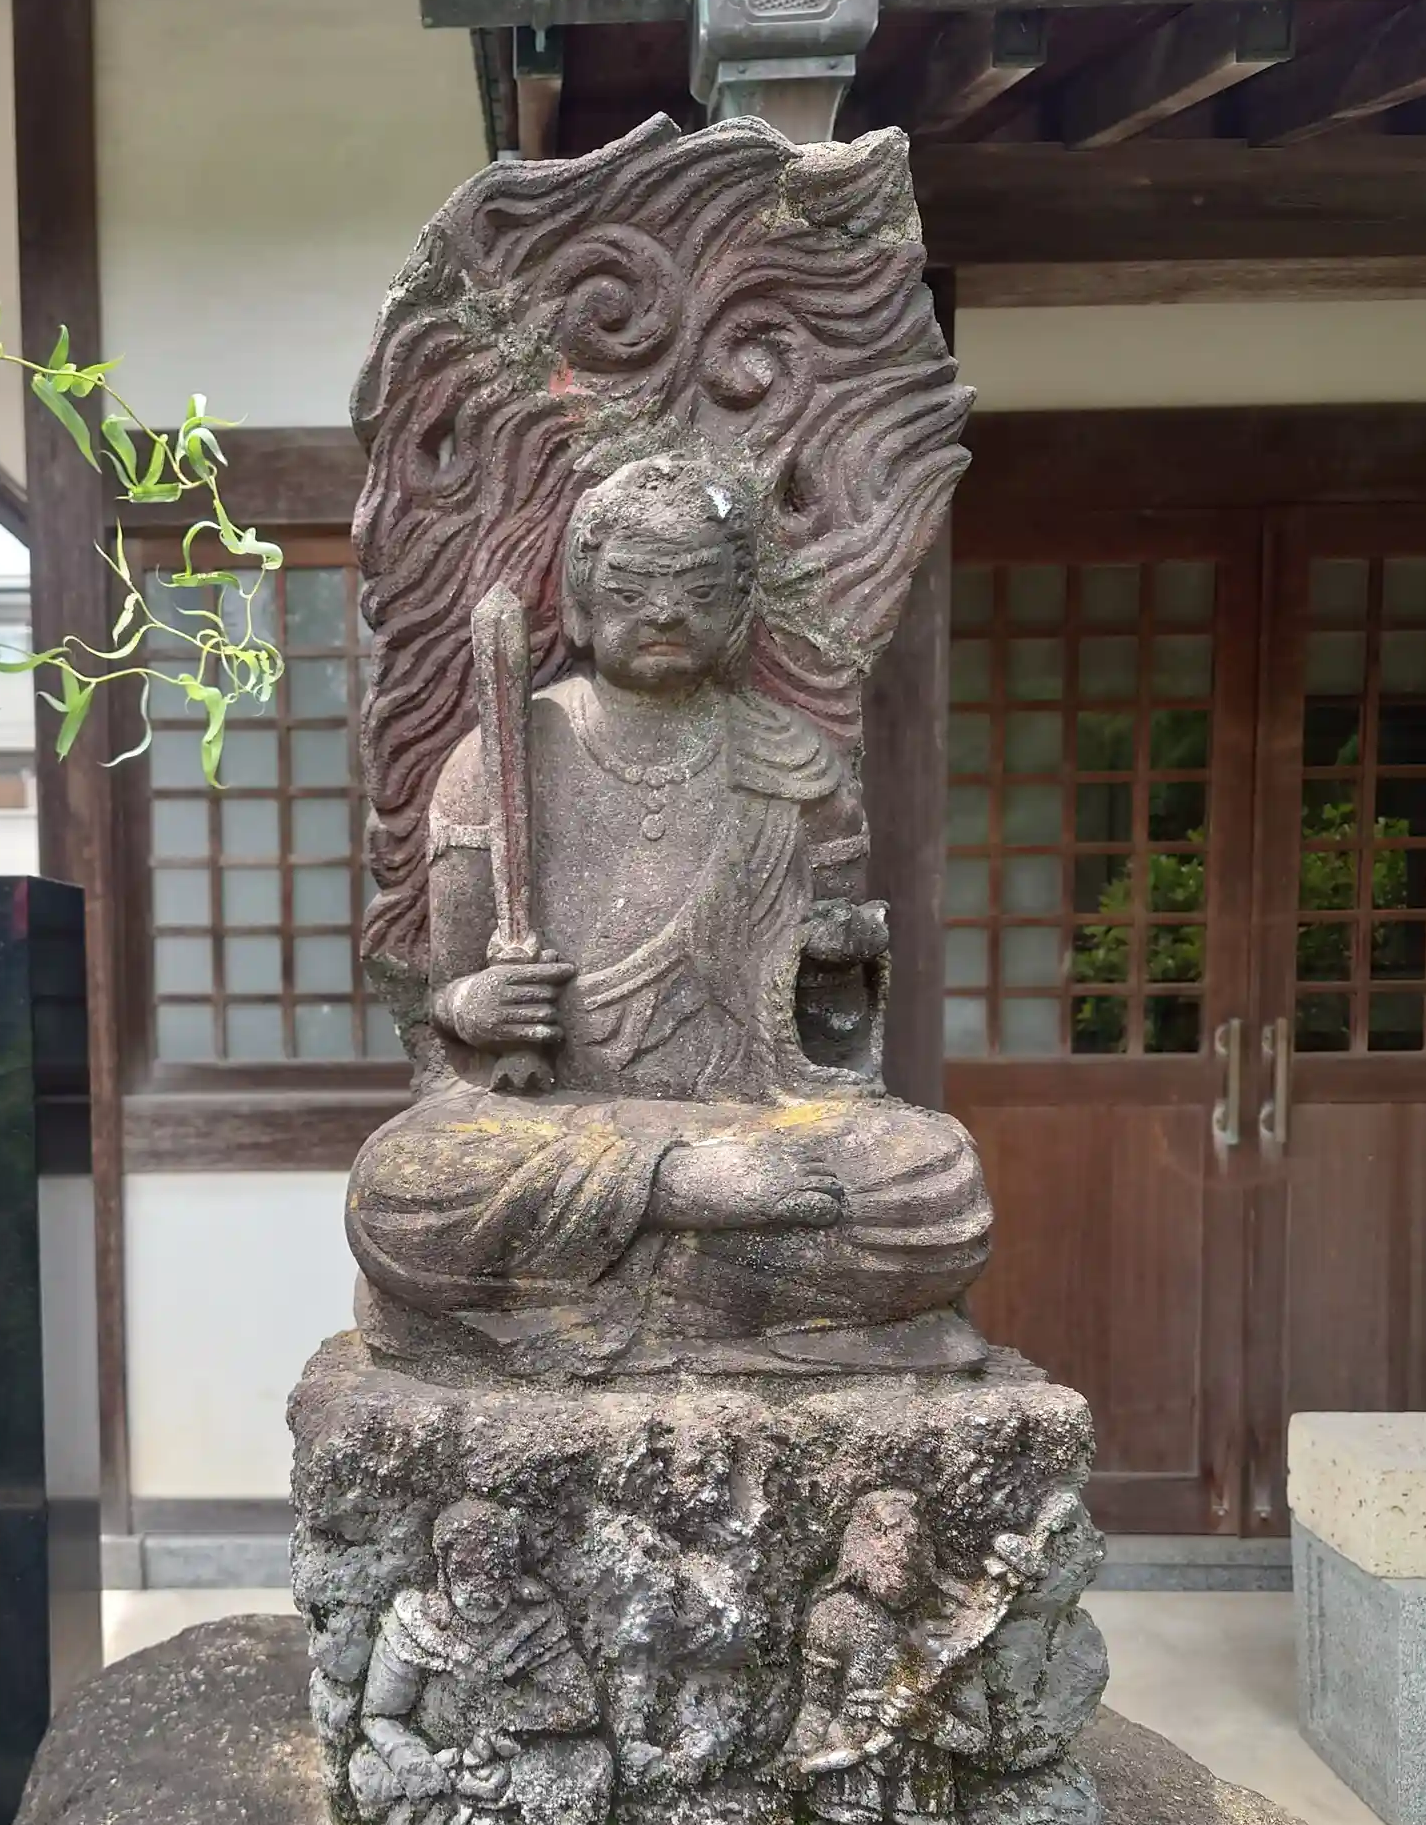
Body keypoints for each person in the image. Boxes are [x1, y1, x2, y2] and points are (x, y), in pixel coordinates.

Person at [346, 454, 993, 1378]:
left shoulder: (794, 767)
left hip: (752, 1119)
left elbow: (830, 1033)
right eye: (631, 589)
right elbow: (443, 1003)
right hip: (556, 1124)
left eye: (698, 591)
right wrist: (476, 1008)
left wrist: (834, 961)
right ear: (580, 604)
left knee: (933, 1180)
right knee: (403, 1190)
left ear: (740, 608)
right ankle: (686, 1228)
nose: (664, 613)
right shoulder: (503, 759)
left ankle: (614, 1286)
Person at [348, 1499, 612, 1825]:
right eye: (466, 1572)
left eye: (495, 1571)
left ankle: (466, 1823)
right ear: (444, 1569)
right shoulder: (414, 1623)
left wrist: (510, 1716)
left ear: (513, 1570)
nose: (481, 1588)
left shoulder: (534, 1620)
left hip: (512, 1762)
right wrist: (413, 1762)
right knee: (365, 1772)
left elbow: (581, 1706)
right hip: (440, 1761)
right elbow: (379, 1715)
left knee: (593, 1763)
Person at [778, 1488, 988, 1825]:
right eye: (884, 1535)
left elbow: (977, 1735)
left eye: (912, 1540)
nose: (899, 1552)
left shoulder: (947, 1620)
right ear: (859, 1544)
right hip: (853, 1753)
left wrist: (929, 1720)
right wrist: (797, 1755)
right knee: (852, 1741)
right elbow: (818, 1704)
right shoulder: (834, 1616)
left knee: (916, 1756)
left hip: (920, 1761)